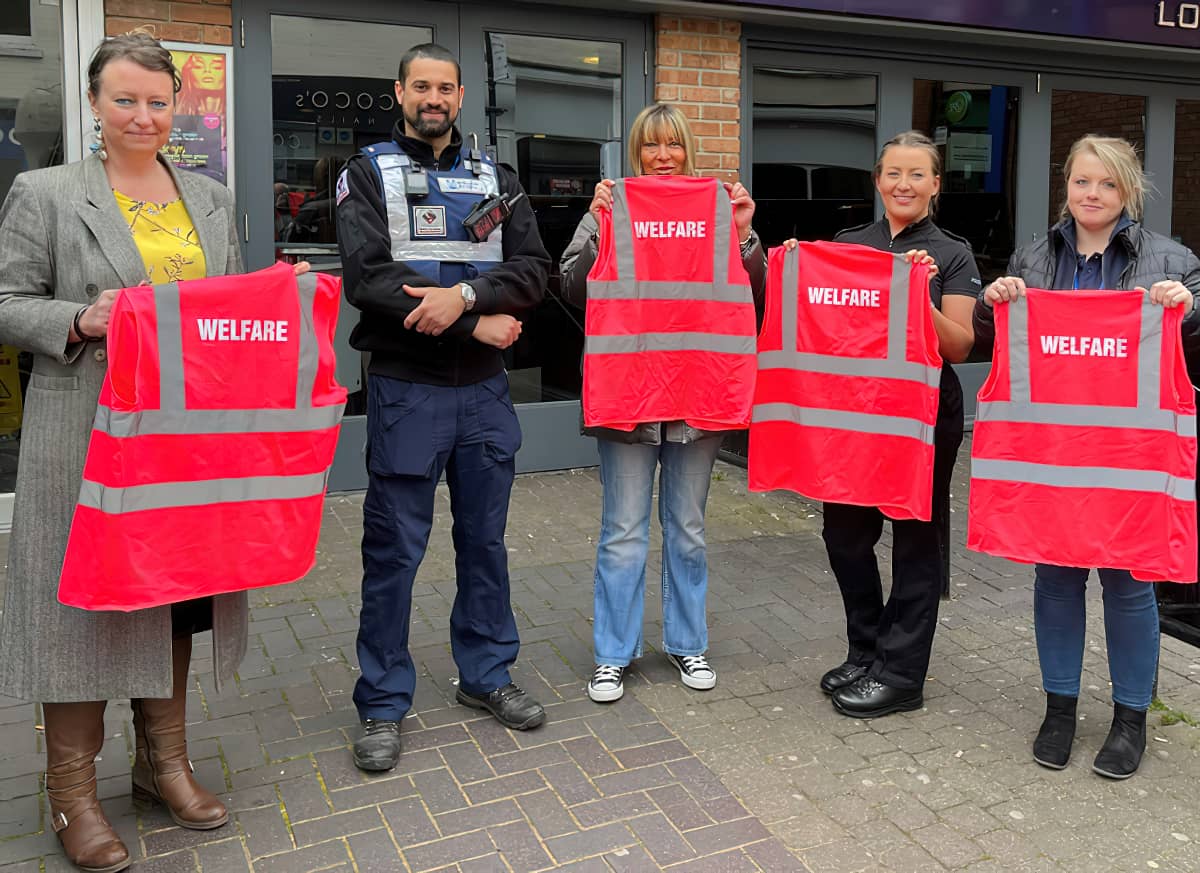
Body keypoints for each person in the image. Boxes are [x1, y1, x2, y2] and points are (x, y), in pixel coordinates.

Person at [0, 31, 295, 873]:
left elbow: (229, 310)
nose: (142, 115)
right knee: (81, 611)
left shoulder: (206, 195)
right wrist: (76, 319)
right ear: (94, 104)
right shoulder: (46, 191)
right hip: (85, 431)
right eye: (124, 99)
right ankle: (72, 793)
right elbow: (4, 300)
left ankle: (162, 764)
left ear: (178, 108)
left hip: (183, 441)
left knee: (171, 597)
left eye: (157, 101)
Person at [336, 43, 550, 772]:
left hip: (484, 393)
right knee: (393, 552)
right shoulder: (365, 173)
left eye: (445, 87)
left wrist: (466, 296)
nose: (434, 97)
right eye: (421, 85)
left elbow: (533, 269)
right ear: (399, 91)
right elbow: (369, 278)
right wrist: (474, 322)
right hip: (408, 389)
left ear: (461, 97)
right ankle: (382, 701)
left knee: (485, 543)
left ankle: (487, 674)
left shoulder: (498, 176)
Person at [974, 134, 1200, 779]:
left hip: (1131, 459)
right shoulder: (1034, 257)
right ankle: (1060, 708)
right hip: (1052, 454)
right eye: (1080, 182)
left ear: (1127, 190)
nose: (1090, 194)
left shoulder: (1170, 257)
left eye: (1104, 183)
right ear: (1065, 187)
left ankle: (1131, 718)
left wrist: (1184, 307)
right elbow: (1000, 346)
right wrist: (997, 302)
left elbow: (1196, 330)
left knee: (1130, 586)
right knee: (1056, 580)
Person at [559, 103, 767, 703]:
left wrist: (745, 232)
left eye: (673, 144)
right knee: (622, 531)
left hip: (695, 391)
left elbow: (754, 290)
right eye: (651, 146)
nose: (664, 156)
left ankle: (687, 644)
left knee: (688, 530)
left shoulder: (720, 210)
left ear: (688, 151)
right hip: (631, 393)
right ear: (636, 154)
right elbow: (571, 285)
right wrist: (599, 224)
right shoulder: (610, 210)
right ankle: (612, 655)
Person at [785, 130, 978, 719]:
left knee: (916, 542)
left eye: (918, 174)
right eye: (894, 173)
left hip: (922, 418)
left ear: (936, 185)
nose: (904, 184)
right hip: (855, 414)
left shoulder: (952, 253)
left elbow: (962, 345)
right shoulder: (848, 243)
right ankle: (865, 649)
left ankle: (902, 673)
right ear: (877, 180)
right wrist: (795, 266)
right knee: (844, 535)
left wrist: (917, 297)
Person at [175, 51, 225, 117]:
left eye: (216, 67)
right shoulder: (178, 105)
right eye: (198, 66)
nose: (207, 70)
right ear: (188, 72)